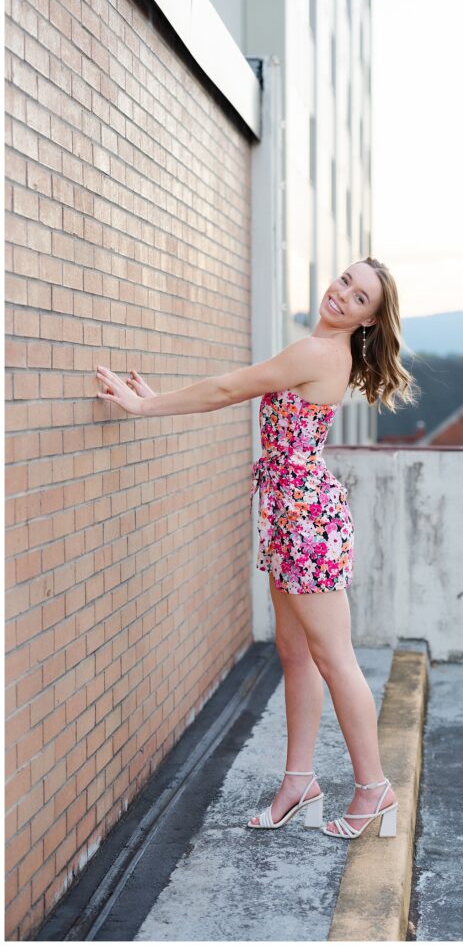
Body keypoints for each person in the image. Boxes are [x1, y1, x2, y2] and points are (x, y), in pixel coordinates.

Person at [95, 256, 417, 839]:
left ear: (368, 321)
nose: (342, 295)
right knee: (294, 652)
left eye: (360, 297)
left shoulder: (317, 353)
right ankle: (300, 782)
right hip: (286, 512)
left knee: (333, 656)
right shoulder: (320, 349)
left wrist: (147, 405)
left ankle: (374, 789)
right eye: (345, 280)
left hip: (305, 516)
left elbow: (226, 389)